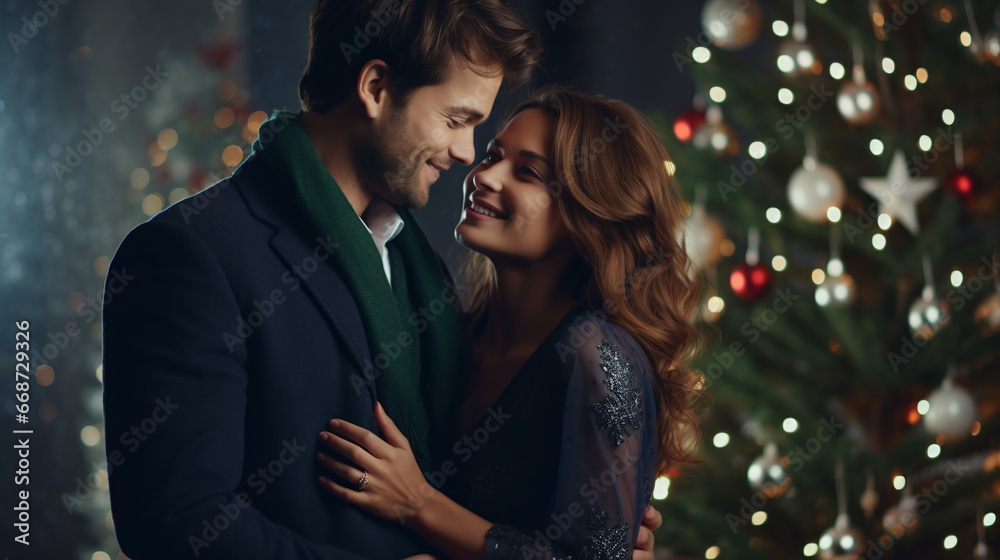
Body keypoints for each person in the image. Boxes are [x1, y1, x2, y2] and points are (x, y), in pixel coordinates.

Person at [101, 1, 662, 559]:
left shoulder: (424, 276)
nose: (468, 155)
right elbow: (176, 523)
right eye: (457, 119)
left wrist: (595, 527)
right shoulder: (194, 252)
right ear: (374, 87)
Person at [312, 86, 704, 559]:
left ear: (588, 211)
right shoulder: (457, 332)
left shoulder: (597, 355)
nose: (484, 174)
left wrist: (418, 503)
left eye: (528, 173)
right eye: (493, 155)